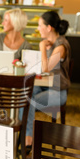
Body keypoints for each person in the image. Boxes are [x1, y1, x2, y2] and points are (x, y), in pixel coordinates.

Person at [25, 11, 71, 147]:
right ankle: (20, 133)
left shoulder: (61, 46)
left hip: (58, 92)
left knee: (30, 102)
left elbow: (46, 68)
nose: (38, 29)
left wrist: (42, 48)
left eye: (40, 25)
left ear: (49, 27)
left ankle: (28, 139)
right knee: (25, 94)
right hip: (46, 86)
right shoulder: (52, 43)